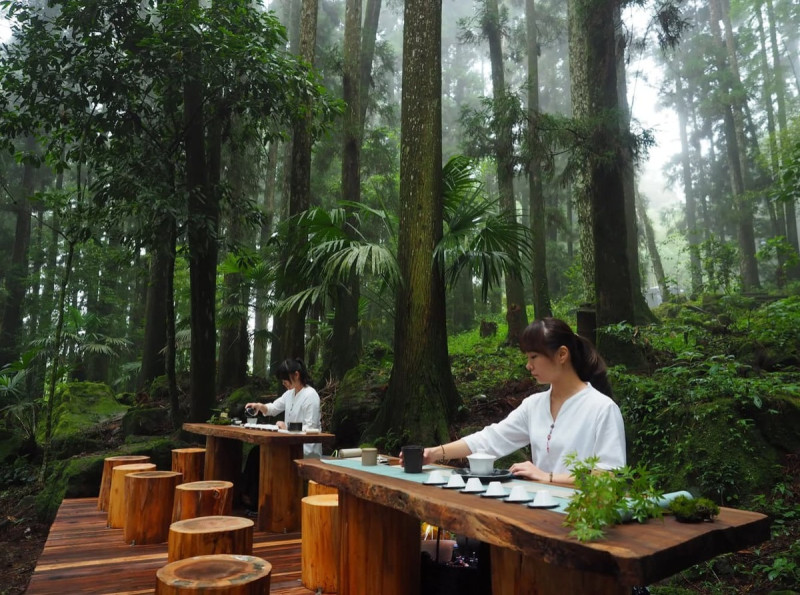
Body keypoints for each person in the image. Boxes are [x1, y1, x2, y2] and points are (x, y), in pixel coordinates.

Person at [412, 317, 626, 485]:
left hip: (584, 520)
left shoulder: (601, 408)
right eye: (527, 358)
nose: (528, 365)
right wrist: (434, 453)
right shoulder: (534, 406)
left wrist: (547, 477)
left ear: (562, 355)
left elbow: (609, 478)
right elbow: (490, 439)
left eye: (534, 357)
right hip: (539, 510)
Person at [245, 358, 322, 457]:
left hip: (306, 449)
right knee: (257, 452)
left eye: (285, 379)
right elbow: (273, 408)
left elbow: (311, 428)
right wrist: (259, 406)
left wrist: (288, 428)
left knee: (260, 454)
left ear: (296, 375)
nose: (283, 383)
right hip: (289, 444)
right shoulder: (289, 394)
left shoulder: (310, 395)